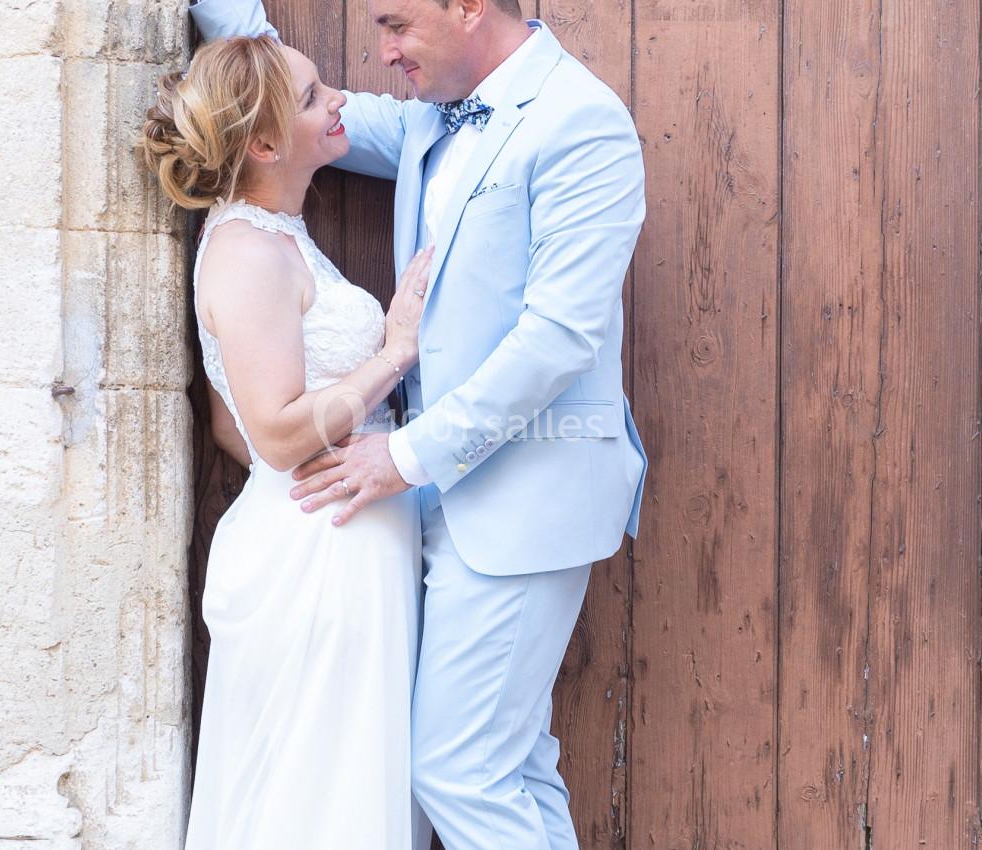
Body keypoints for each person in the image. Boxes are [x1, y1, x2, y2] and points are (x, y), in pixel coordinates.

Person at [189, 1, 649, 848]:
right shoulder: (429, 124)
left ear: (468, 6)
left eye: (397, 24)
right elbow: (266, 105)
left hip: (517, 496)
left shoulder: (581, 123)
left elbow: (555, 340)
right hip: (400, 511)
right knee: (508, 763)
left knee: (459, 767)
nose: (382, 51)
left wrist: (404, 455)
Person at [139, 33, 436, 849]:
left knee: (345, 791)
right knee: (315, 803)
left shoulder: (280, 236)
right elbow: (268, 432)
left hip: (335, 541)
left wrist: (322, 456)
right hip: (316, 562)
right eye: (311, 96)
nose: (338, 98)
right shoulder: (244, 252)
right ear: (265, 142)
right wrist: (395, 354)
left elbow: (231, 426)